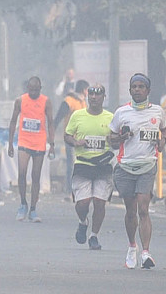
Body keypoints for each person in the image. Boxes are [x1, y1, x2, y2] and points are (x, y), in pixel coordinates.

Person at [109, 73, 166, 269]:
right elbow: (111, 139)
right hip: (125, 166)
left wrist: (162, 142)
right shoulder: (121, 113)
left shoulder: (158, 112)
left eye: (141, 86)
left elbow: (164, 130)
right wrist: (122, 137)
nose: (137, 90)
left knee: (144, 208)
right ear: (130, 90)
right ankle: (132, 247)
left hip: (147, 165)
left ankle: (146, 253)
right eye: (134, 87)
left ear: (148, 91)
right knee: (131, 210)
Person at [64, 84, 113, 250]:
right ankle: (82, 221)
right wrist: (76, 142)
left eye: (98, 95)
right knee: (83, 203)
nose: (94, 97)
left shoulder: (110, 117)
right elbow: (67, 135)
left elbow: (116, 138)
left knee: (100, 203)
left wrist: (115, 139)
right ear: (87, 97)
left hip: (103, 165)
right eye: (91, 94)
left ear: (103, 97)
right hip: (83, 164)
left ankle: (94, 236)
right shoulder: (78, 115)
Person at [7, 76, 55, 222]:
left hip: (39, 142)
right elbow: (13, 121)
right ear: (27, 89)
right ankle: (23, 203)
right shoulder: (20, 101)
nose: (34, 92)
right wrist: (10, 143)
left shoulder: (46, 101)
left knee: (36, 176)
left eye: (36, 90)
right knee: (21, 173)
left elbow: (51, 123)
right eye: (31, 89)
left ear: (40, 89)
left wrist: (51, 144)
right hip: (24, 141)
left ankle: (33, 209)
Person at [54, 80, 89, 192]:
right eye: (88, 90)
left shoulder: (83, 102)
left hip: (82, 139)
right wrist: (52, 130)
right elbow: (59, 116)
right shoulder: (69, 101)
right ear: (84, 90)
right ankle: (70, 189)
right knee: (72, 164)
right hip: (71, 138)